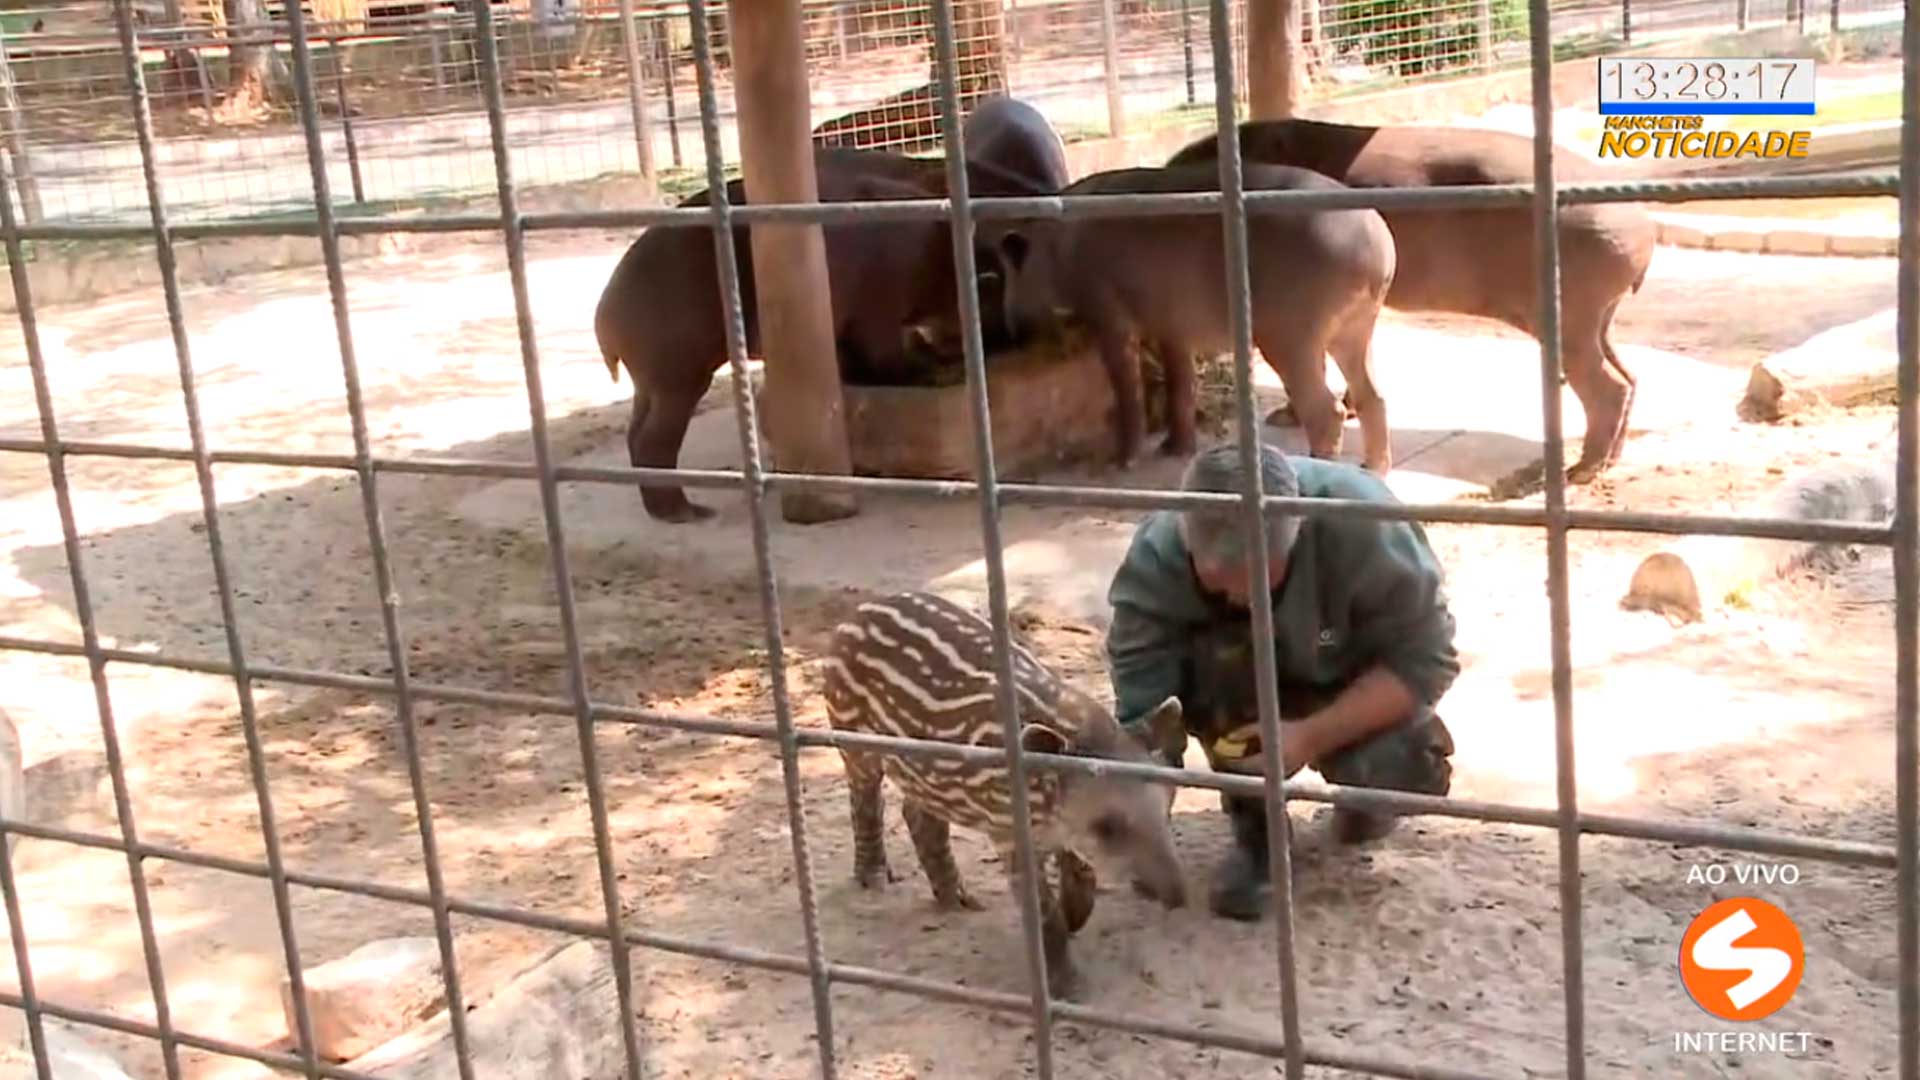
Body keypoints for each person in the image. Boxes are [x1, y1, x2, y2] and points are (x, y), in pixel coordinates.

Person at [1105, 441, 1460, 920]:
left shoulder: (1362, 521)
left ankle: (1364, 790)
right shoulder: (1156, 559)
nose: (1239, 597)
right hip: (1239, 695)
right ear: (1188, 543)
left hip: (1340, 674)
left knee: (1401, 766)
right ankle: (1258, 833)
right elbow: (1143, 713)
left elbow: (1427, 658)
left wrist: (1310, 736)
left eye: (1257, 582)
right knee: (1214, 656)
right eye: (1220, 583)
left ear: (1296, 536)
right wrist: (1144, 820)